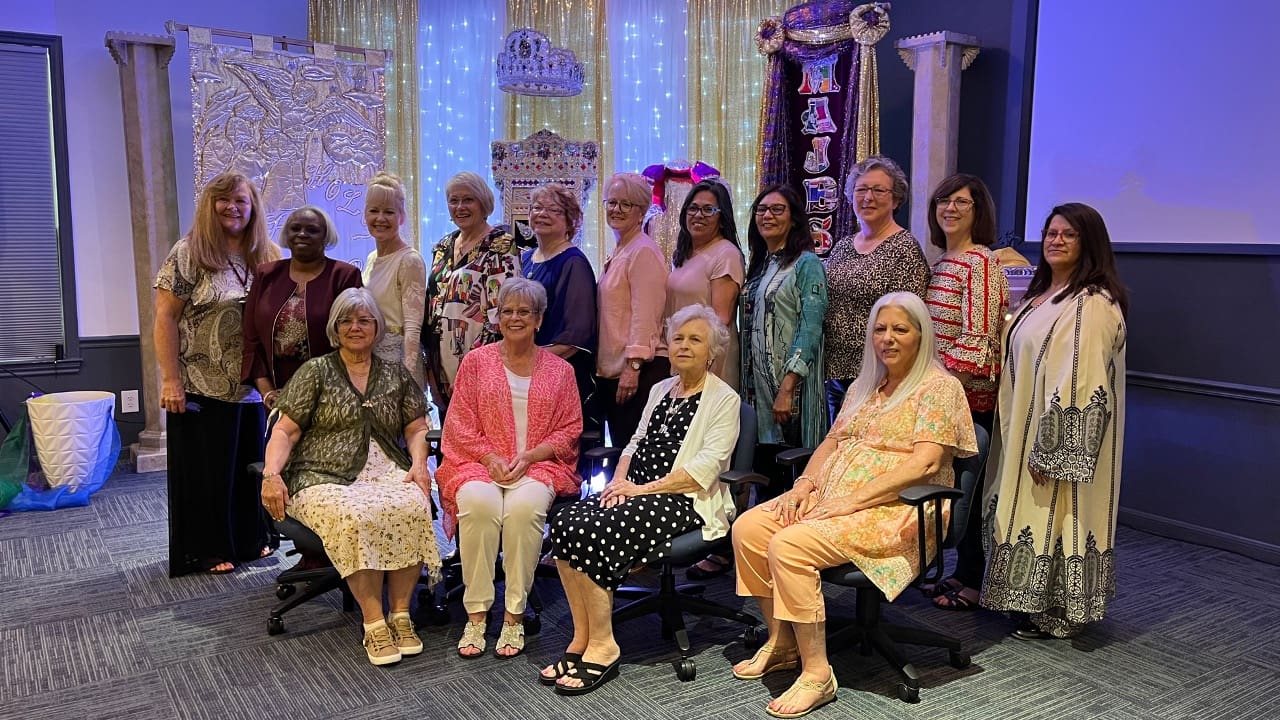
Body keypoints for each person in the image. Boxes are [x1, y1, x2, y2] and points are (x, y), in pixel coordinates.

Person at [731, 292, 976, 719]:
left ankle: (818, 674)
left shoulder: (940, 387)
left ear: (921, 335)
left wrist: (851, 501)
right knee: (749, 529)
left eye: (900, 329)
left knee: (789, 546)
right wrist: (805, 484)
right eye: (880, 329)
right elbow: (834, 440)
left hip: (899, 510)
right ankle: (783, 640)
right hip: (835, 498)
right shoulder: (867, 384)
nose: (888, 338)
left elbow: (928, 462)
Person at [542, 305, 740, 696]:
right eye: (678, 338)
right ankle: (581, 638)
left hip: (683, 500)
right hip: (635, 490)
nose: (683, 345)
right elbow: (634, 443)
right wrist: (618, 482)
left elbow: (706, 468)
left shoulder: (724, 399)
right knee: (566, 520)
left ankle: (604, 644)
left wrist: (640, 490)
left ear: (712, 352)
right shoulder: (659, 390)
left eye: (695, 339)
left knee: (595, 529)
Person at [259, 288, 440, 667]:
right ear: (334, 327)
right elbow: (285, 431)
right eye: (346, 320)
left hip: (384, 466)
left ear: (377, 327)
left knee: (413, 503)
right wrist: (271, 474)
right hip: (320, 473)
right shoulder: (316, 372)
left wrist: (420, 465)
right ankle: (374, 623)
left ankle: (401, 615)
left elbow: (416, 428)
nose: (355, 327)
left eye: (364, 320)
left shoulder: (395, 375)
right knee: (356, 517)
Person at [980, 203, 1128, 640]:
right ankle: (1026, 600)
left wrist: (1052, 449)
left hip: (1055, 439)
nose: (1055, 240)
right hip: (1024, 426)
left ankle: (1056, 608)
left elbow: (1082, 382)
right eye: (1050, 232)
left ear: (1090, 243)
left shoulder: (1093, 303)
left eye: (1068, 234)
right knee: (1031, 512)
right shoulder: (1045, 296)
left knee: (1060, 512)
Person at [435, 278, 583, 659]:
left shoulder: (560, 371)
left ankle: (514, 616)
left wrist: (532, 456)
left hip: (539, 466)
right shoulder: (476, 362)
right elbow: (459, 422)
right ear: (497, 317)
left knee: (522, 511)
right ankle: (477, 614)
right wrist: (490, 458)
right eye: (508, 311)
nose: (515, 318)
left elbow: (571, 428)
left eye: (524, 312)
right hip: (478, 462)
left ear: (538, 319)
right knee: (479, 507)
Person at [689, 185, 829, 583]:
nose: (768, 216)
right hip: (756, 393)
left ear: (794, 217)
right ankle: (761, 555)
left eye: (778, 210)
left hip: (791, 393)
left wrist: (789, 385)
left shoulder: (806, 265)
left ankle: (793, 561)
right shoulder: (759, 265)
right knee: (763, 475)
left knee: (792, 478)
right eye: (762, 210)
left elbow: (811, 327)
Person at [154, 171, 281, 576]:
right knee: (209, 475)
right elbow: (165, 318)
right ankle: (208, 549)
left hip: (252, 389)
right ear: (210, 206)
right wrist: (170, 379)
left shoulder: (267, 254)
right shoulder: (189, 252)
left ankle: (250, 539)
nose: (233, 208)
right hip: (200, 386)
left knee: (248, 469)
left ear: (253, 207)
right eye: (223, 201)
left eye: (241, 201)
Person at [919, 174, 1010, 611]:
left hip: (967, 398)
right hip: (937, 395)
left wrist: (931, 378)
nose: (950, 209)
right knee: (943, 485)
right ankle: (953, 571)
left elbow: (980, 342)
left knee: (966, 495)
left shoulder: (981, 263)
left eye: (962, 202)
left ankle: (971, 578)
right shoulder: (940, 264)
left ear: (979, 212)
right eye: (943, 201)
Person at [822, 155, 929, 422]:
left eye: (879, 190)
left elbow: (910, 321)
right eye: (861, 190)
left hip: (880, 374)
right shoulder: (842, 247)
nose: (868, 197)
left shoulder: (904, 248)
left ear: (895, 199)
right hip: (835, 374)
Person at [242, 206, 363, 408]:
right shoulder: (266, 275)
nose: (302, 234)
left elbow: (355, 337)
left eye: (312, 230)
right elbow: (251, 339)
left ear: (326, 236)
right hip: (276, 394)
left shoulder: (344, 276)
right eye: (295, 228)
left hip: (332, 394)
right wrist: (267, 392)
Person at [424, 171, 520, 415]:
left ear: (483, 203)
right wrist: (430, 365)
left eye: (468, 200)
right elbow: (431, 304)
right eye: (453, 200)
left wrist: (473, 367)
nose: (460, 207)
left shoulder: (500, 245)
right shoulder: (442, 246)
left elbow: (502, 314)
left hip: (483, 367)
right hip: (441, 367)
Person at [596, 172, 669, 448]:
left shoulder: (643, 251)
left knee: (633, 458)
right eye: (611, 202)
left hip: (638, 373)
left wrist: (633, 366)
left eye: (625, 204)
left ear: (641, 212)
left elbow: (646, 314)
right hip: (615, 372)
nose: (616, 209)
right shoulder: (620, 250)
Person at [520, 182, 599, 431]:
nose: (542, 214)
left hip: (560, 378)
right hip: (524, 373)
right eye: (536, 208)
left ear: (570, 220)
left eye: (553, 210)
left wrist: (527, 362)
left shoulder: (574, 263)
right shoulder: (523, 258)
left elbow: (576, 335)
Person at [664, 179, 745, 390]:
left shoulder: (726, 254)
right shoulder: (684, 254)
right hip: (684, 356)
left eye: (708, 210)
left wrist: (702, 365)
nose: (698, 215)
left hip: (709, 362)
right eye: (693, 208)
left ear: (722, 217)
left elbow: (721, 320)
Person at [362, 172, 427, 391]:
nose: (380, 218)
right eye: (374, 211)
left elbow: (412, 328)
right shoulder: (371, 258)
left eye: (389, 212)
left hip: (398, 365)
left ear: (401, 217)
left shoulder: (409, 260)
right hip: (370, 360)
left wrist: (406, 382)